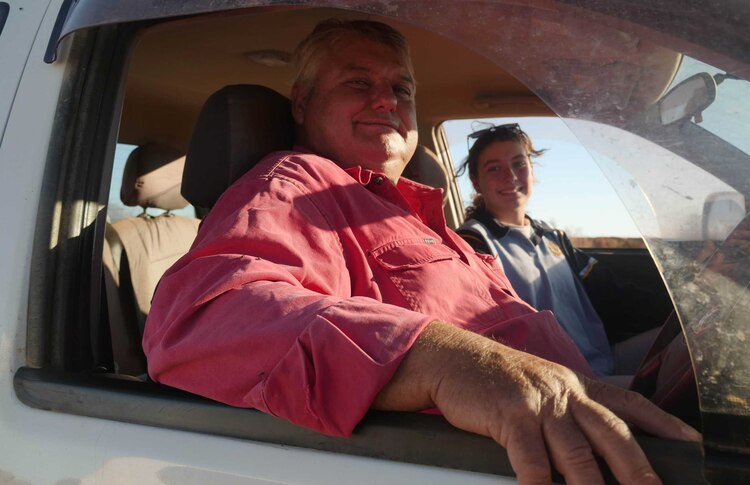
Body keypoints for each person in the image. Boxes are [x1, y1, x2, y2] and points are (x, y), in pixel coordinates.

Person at [143, 19, 700, 484]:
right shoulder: (294, 184)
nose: (386, 100)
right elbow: (200, 319)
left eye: (402, 89)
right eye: (358, 83)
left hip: (567, 427)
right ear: (304, 102)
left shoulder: (415, 213)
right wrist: (444, 360)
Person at [456, 124, 659, 380]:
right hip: (561, 382)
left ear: (531, 169)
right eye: (494, 168)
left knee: (687, 340)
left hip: (602, 359)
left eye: (518, 164)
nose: (510, 176)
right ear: (476, 182)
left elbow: (614, 292)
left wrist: (681, 306)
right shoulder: (473, 242)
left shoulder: (553, 237)